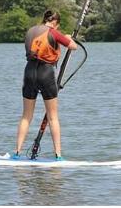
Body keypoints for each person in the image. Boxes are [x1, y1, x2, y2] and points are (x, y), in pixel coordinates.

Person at [14, 10, 78, 161]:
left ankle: (16, 153)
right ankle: (58, 155)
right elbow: (73, 46)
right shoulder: (54, 33)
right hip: (45, 74)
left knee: (26, 116)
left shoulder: (30, 31)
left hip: (29, 72)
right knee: (53, 117)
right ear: (55, 23)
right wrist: (67, 37)